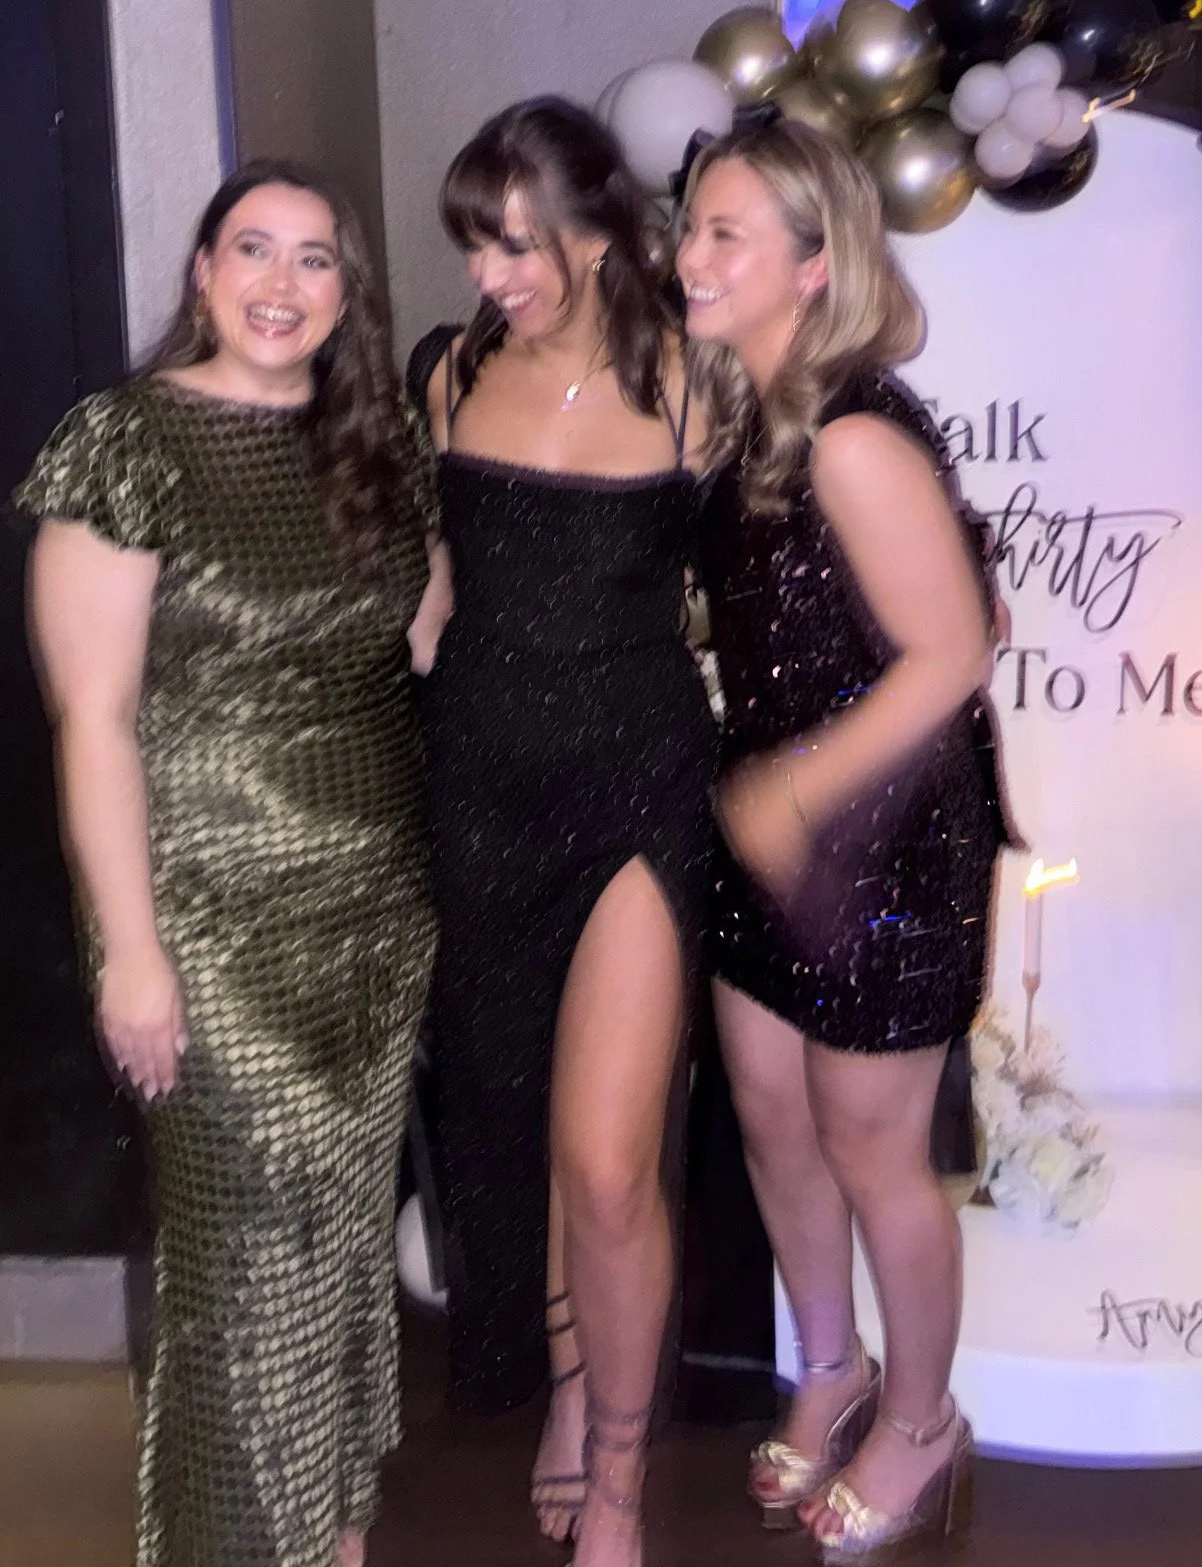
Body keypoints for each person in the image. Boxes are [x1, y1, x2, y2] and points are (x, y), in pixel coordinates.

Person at [16, 161, 444, 1567]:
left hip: (375, 920)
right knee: (243, 1265)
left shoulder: (374, 443)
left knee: (335, 1253)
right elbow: (92, 722)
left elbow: (414, 648)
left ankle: (327, 1535)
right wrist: (128, 950)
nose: (280, 282)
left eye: (314, 260)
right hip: (203, 918)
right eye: (250, 249)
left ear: (347, 294)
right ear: (201, 273)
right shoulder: (123, 441)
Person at [677, 118, 1005, 1558]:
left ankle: (923, 1422)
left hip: (881, 838)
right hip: (780, 817)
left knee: (875, 1152)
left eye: (723, 234)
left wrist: (789, 794)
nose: (689, 255)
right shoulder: (751, 412)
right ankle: (829, 1365)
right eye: (690, 226)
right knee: (768, 1114)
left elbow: (950, 658)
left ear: (813, 269)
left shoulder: (856, 434)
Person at [408, 96, 717, 1567]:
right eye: (476, 246)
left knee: (606, 1160)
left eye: (519, 245)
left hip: (637, 790)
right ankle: (570, 1377)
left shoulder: (697, 387)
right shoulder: (448, 370)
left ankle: (614, 1473)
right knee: (519, 1118)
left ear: (601, 233)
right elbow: (431, 598)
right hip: (478, 786)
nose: (492, 276)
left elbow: (785, 566)